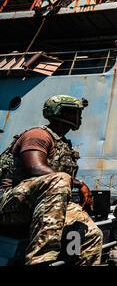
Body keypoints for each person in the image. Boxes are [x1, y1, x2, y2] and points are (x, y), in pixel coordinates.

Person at [0, 95, 102, 266]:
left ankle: (73, 258)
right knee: (60, 178)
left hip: (45, 205)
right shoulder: (38, 135)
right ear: (62, 112)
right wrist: (78, 183)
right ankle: (40, 259)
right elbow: (35, 167)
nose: (80, 116)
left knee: (88, 234)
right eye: (76, 112)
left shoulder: (63, 143)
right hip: (11, 204)